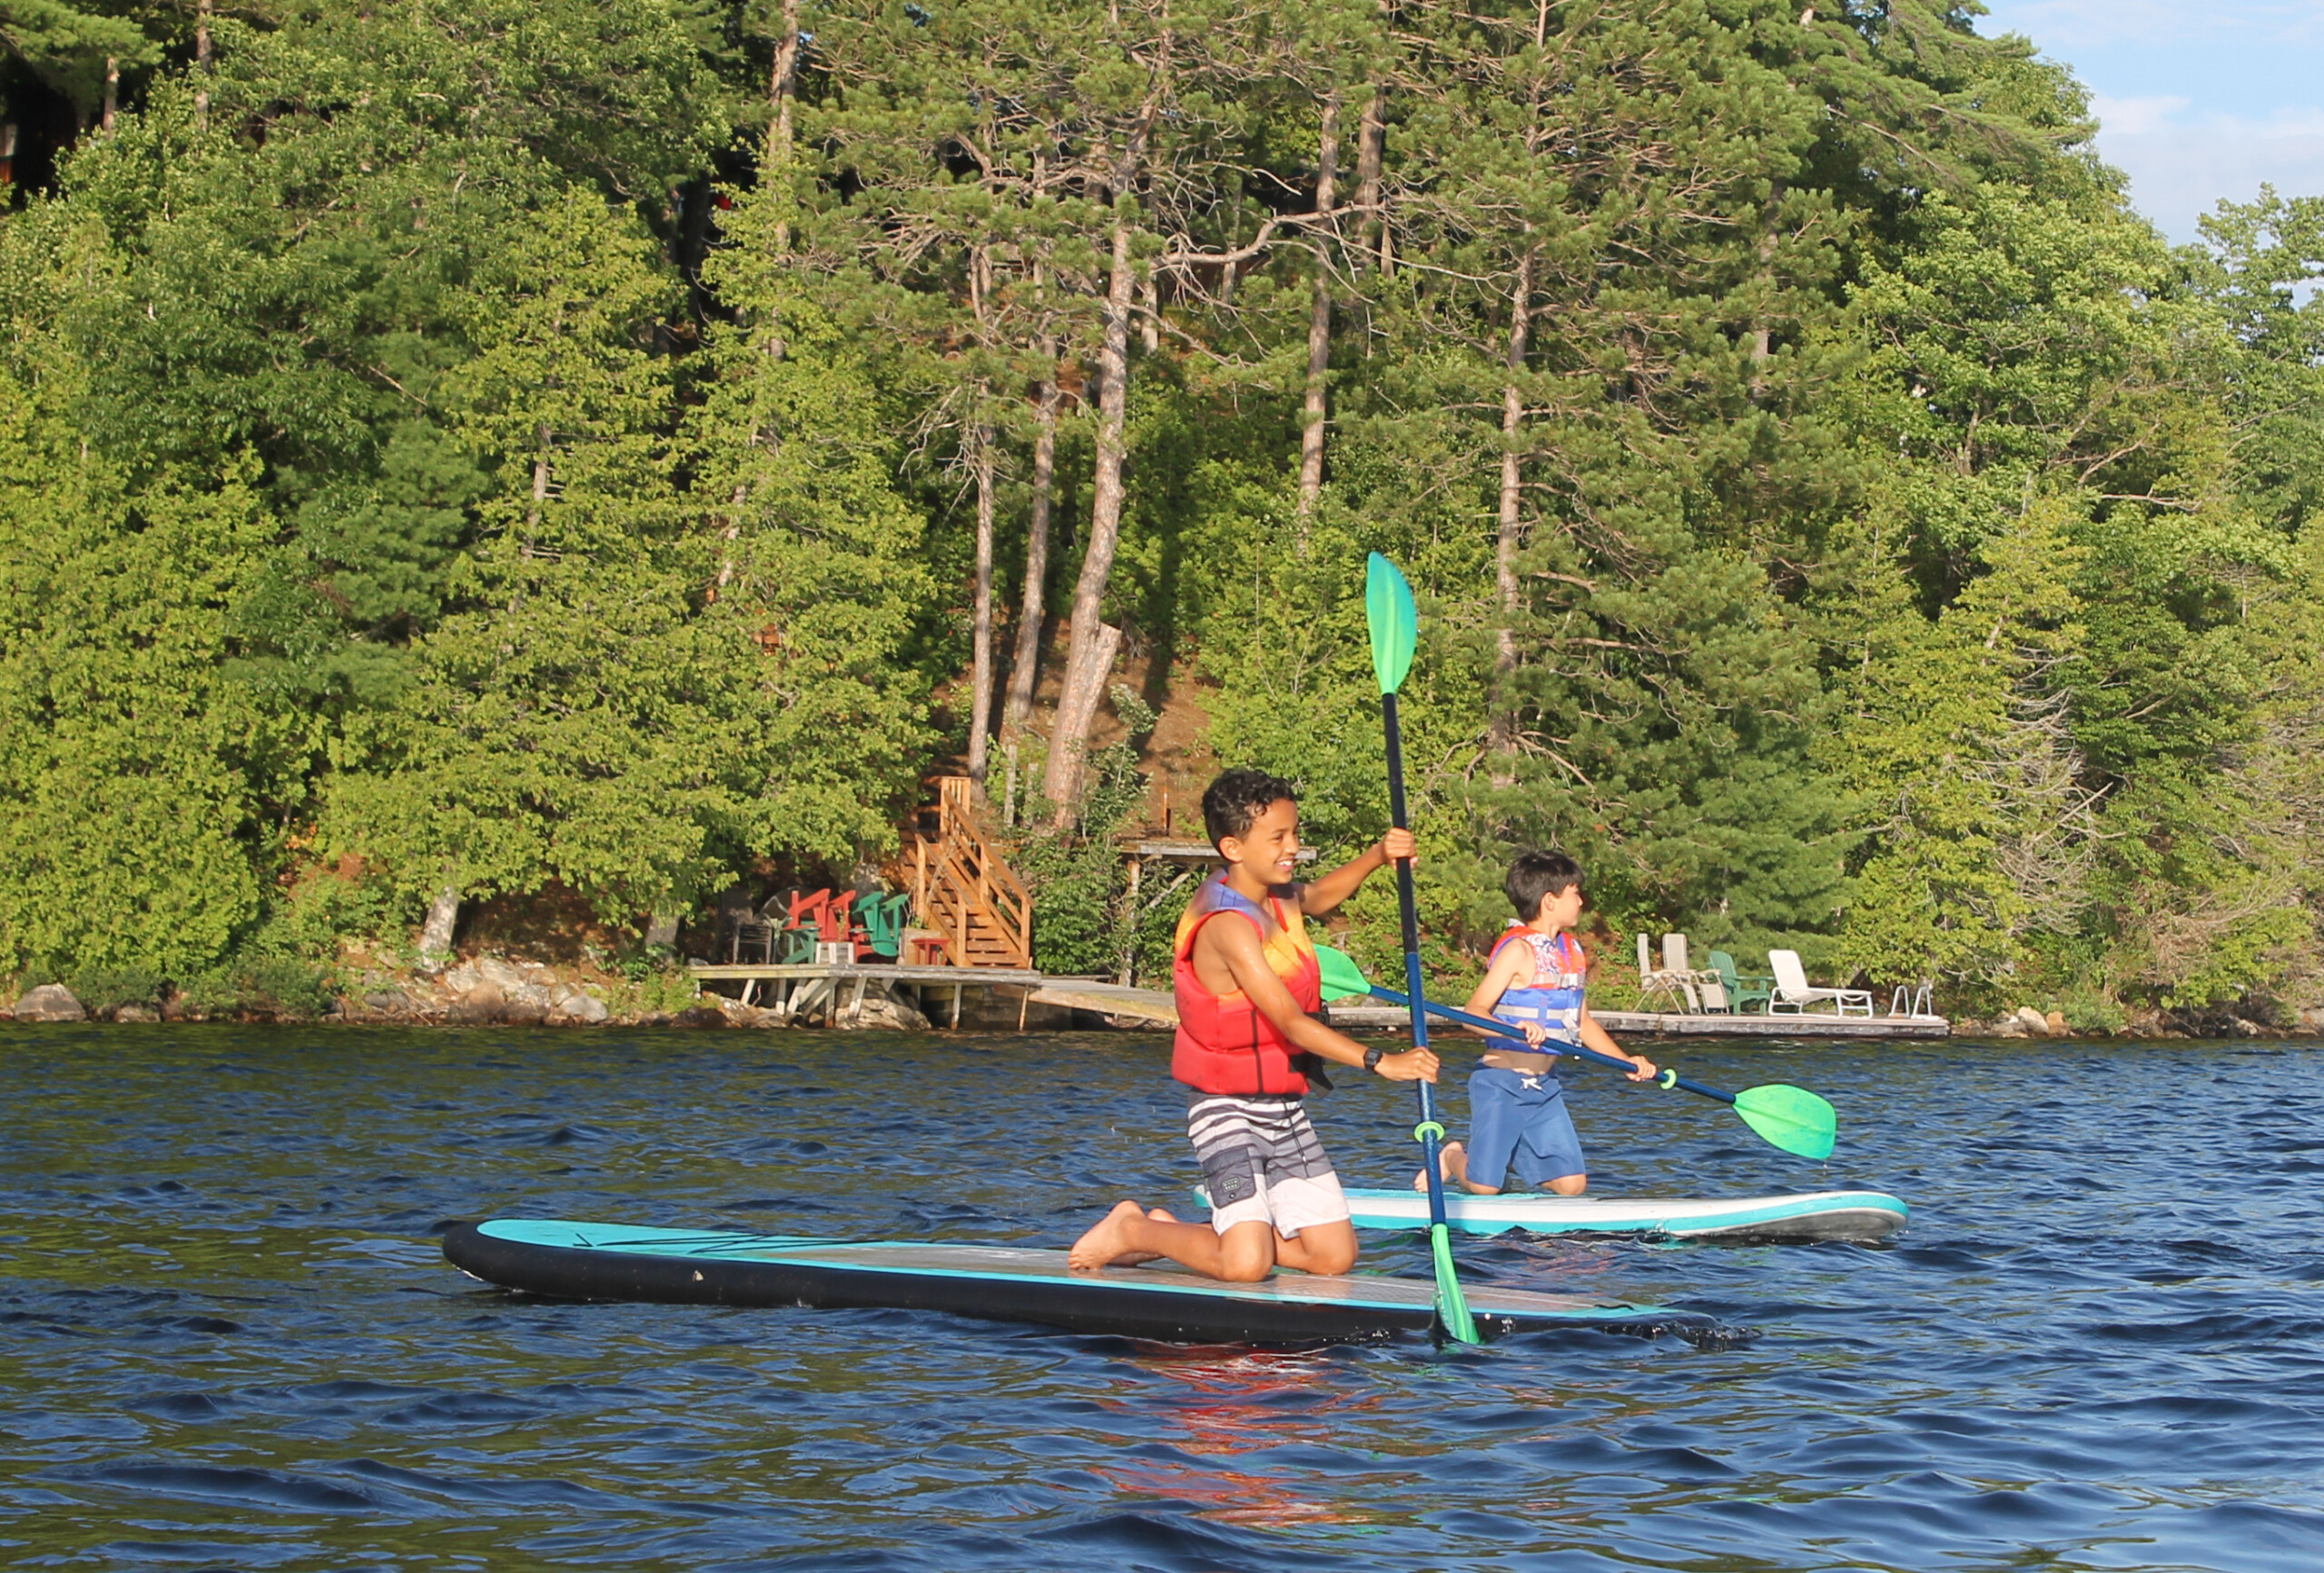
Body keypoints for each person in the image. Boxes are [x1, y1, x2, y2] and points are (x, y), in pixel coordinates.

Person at [1068, 769, 1439, 1281]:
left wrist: (1379, 855)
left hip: (1284, 1106)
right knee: (1246, 1267)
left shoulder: (1277, 891)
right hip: (1226, 1108)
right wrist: (1379, 1061)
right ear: (1233, 847)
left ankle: (1202, 1232)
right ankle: (1133, 1230)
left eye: (1295, 833)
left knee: (1333, 1258)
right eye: (1279, 838)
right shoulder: (1226, 926)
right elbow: (1288, 1020)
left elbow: (1321, 896)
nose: (1294, 847)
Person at [1421, 850, 1657, 1197]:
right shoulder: (1517, 951)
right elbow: (1474, 1012)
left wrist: (1626, 1062)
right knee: (1485, 1188)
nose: (1581, 900)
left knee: (1572, 1185)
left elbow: (1581, 1021)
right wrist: (1512, 1031)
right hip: (1501, 1084)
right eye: (1575, 893)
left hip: (1545, 1086)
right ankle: (1453, 1157)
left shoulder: (1571, 952)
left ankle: (1503, 1153)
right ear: (1550, 900)